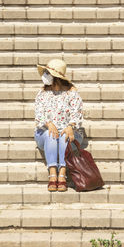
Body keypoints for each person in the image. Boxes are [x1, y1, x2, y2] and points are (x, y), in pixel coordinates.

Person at [34, 59, 84, 192]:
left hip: (69, 131)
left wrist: (70, 126)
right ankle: (52, 174)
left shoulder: (72, 93)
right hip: (45, 132)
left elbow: (77, 114)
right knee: (51, 135)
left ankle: (62, 173)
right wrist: (49, 123)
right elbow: (39, 115)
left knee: (64, 137)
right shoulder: (42, 94)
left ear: (56, 78)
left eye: (47, 73)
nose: (44, 75)